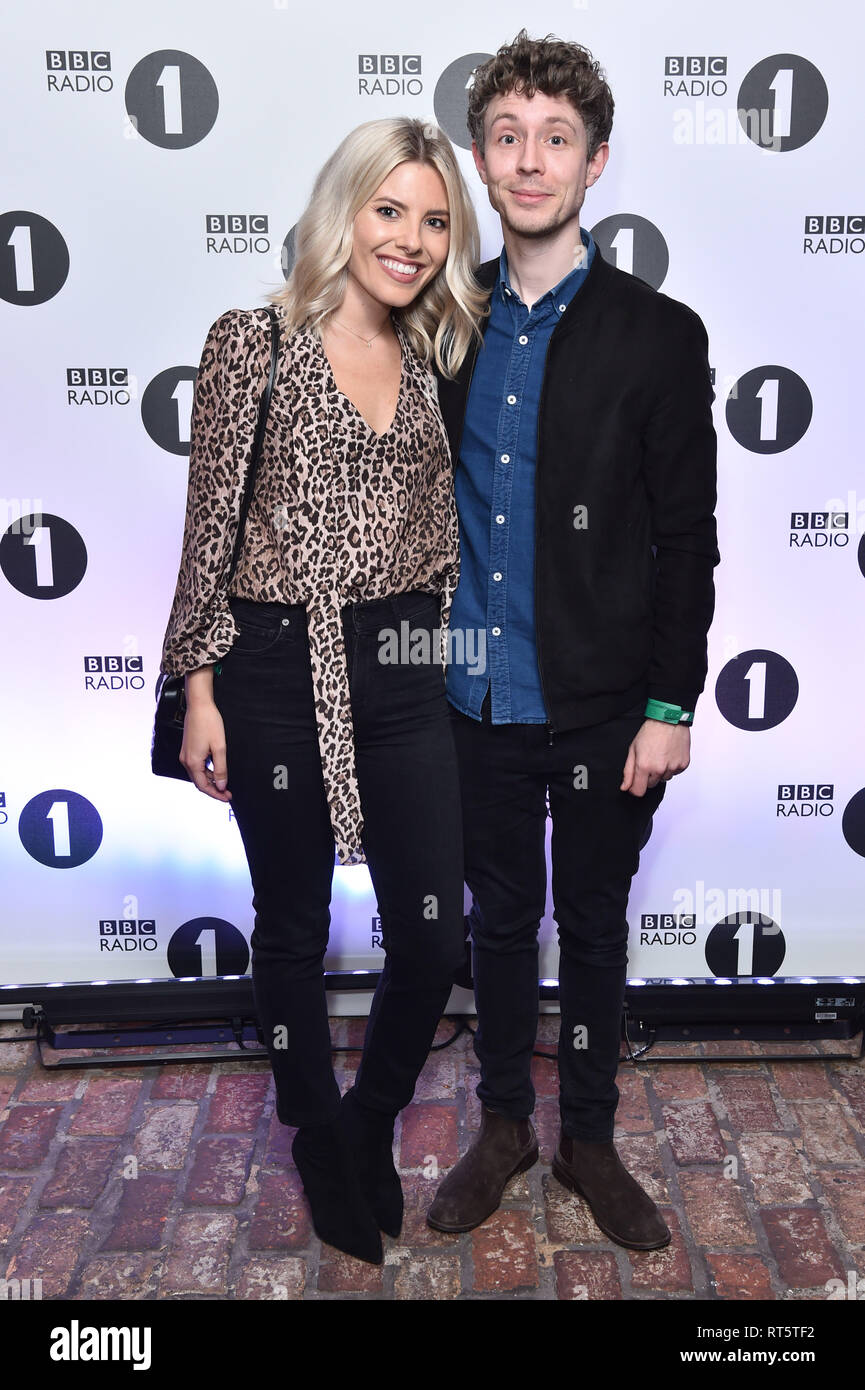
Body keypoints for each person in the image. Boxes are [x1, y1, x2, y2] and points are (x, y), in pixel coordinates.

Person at [159, 117, 487, 1265]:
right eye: (388, 208)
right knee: (292, 922)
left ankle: (363, 1119)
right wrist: (199, 689)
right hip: (270, 657)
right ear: (344, 209)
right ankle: (313, 1130)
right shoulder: (252, 340)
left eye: (434, 219)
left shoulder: (444, 353)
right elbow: (209, 534)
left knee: (434, 936)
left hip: (400, 662)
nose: (409, 238)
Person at [427, 31, 720, 1250]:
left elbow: (686, 540)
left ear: (594, 161)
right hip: (471, 695)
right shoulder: (442, 325)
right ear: (482, 164)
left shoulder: (658, 333)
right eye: (507, 138)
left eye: (555, 139)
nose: (529, 159)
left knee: (592, 926)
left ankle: (587, 1138)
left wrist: (669, 705)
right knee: (496, 923)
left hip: (603, 703)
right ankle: (503, 1126)